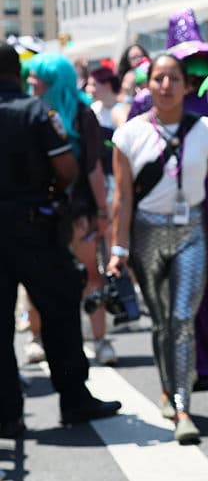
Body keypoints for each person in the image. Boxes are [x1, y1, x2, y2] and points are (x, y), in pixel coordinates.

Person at [106, 54, 208, 444]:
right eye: (158, 78)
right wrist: (118, 249)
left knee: (182, 318)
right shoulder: (128, 135)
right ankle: (165, 387)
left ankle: (182, 406)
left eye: (173, 78)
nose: (166, 85)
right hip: (146, 233)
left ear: (186, 85)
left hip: (191, 231)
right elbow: (122, 199)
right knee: (161, 320)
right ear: (148, 85)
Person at [0, 43, 121, 438]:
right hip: (36, 230)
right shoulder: (37, 112)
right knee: (61, 314)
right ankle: (74, 399)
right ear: (15, 72)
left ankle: (7, 414)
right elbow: (66, 169)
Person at [24, 53, 116, 367]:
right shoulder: (30, 111)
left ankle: (101, 339)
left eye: (40, 78)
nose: (32, 82)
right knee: (37, 278)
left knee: (93, 276)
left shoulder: (81, 113)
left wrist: (103, 212)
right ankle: (36, 338)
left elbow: (93, 169)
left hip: (79, 210)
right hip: (40, 211)